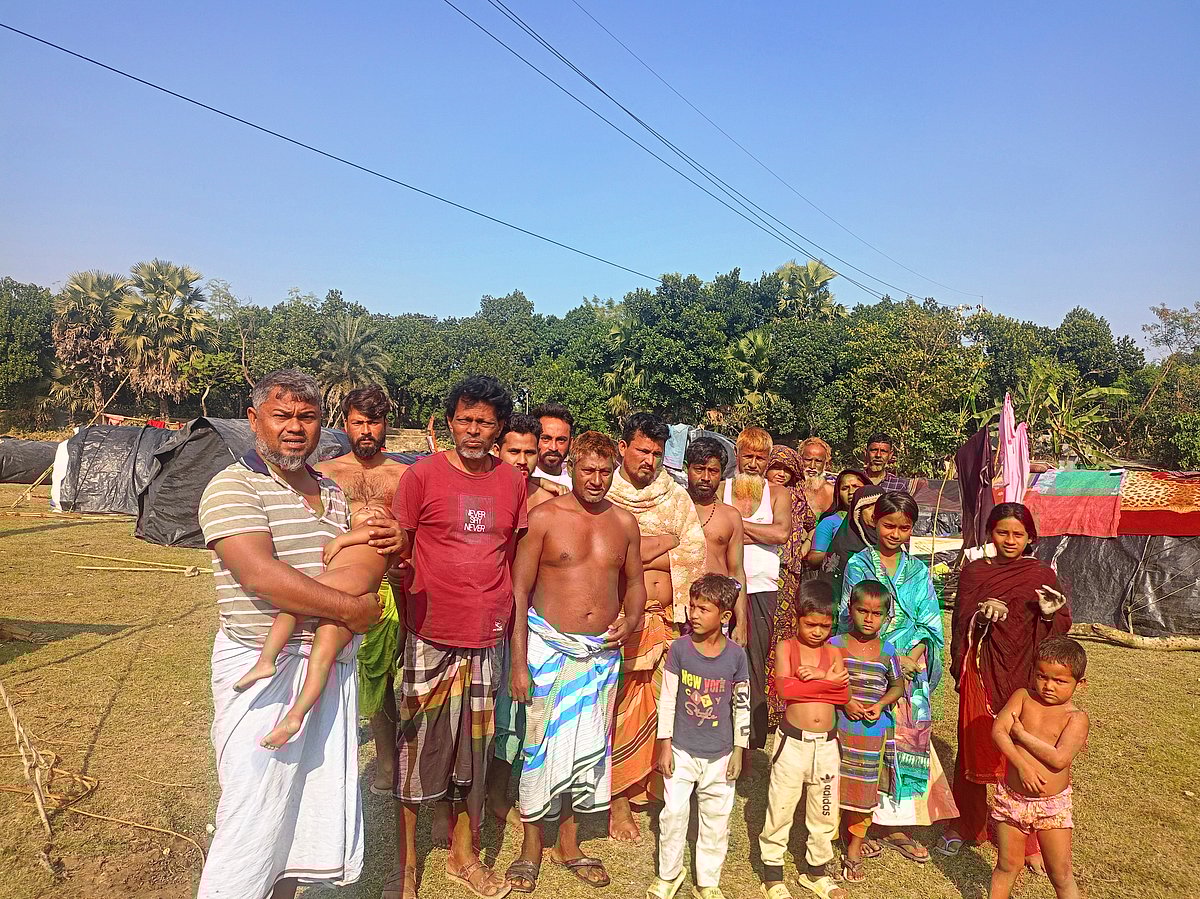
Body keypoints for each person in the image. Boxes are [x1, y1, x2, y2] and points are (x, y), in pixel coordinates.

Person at [196, 369, 384, 899]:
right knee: (251, 811)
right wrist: (354, 609)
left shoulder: (332, 492)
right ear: (254, 420)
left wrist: (389, 546)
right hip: (261, 665)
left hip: (326, 665)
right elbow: (261, 576)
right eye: (282, 416)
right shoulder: (232, 486)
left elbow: (356, 564)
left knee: (304, 809)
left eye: (307, 417)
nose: (295, 428)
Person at [386, 375, 527, 899]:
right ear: (450, 422)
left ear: (499, 428)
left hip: (487, 635)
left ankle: (463, 855)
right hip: (430, 632)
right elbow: (400, 548)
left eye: (484, 422)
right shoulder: (421, 476)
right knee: (417, 747)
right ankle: (404, 866)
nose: (473, 430)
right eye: (465, 419)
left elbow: (513, 559)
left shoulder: (513, 482)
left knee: (475, 750)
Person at [503, 431, 647, 893]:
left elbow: (635, 582)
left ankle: (568, 844)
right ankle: (530, 846)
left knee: (585, 750)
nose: (597, 480)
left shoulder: (624, 523)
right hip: (548, 652)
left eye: (605, 472)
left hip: (599, 656)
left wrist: (632, 619)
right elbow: (519, 592)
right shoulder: (544, 518)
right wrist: (519, 662)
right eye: (588, 470)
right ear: (572, 468)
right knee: (538, 748)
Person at [939, 503, 1071, 872]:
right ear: (990, 533)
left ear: (1030, 537)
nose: (1010, 540)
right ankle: (966, 823)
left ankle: (1027, 837)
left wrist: (1050, 613)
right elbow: (961, 620)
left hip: (1026, 675)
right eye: (1002, 532)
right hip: (983, 671)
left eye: (1018, 534)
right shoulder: (975, 572)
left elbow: (1061, 625)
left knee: (1023, 750)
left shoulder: (1041, 573)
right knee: (974, 744)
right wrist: (981, 613)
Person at [605, 412, 708, 844]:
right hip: (620, 621)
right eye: (642, 450)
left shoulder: (676, 497)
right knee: (621, 706)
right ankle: (617, 799)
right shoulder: (603, 493)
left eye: (657, 452)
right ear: (623, 448)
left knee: (665, 704)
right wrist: (662, 543)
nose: (649, 460)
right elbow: (604, 554)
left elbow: (696, 554)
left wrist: (641, 550)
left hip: (667, 621)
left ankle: (651, 787)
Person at [840, 492, 958, 863]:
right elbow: (849, 615)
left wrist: (913, 657)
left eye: (904, 527)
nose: (895, 533)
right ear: (874, 522)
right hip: (868, 665)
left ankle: (894, 825)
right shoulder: (858, 564)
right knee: (864, 740)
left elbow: (930, 622)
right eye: (888, 525)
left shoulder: (919, 571)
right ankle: (856, 822)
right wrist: (890, 657)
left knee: (904, 742)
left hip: (911, 670)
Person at [236, 500, 394, 750]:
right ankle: (295, 716)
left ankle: (266, 661)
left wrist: (340, 541)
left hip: (352, 578)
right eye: (364, 509)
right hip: (357, 591)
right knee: (322, 657)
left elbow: (370, 532)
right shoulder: (370, 540)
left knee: (294, 605)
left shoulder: (377, 534)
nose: (370, 511)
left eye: (378, 511)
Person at [315, 386, 409, 793]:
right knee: (327, 670)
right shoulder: (325, 473)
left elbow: (416, 531)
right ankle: (324, 759)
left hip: (389, 587)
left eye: (374, 422)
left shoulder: (404, 475)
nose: (366, 430)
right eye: (358, 422)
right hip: (338, 583)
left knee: (381, 679)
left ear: (386, 424)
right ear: (345, 424)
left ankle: (387, 764)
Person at [649, 574, 750, 899]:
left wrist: (739, 750)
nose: (694, 614)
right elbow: (668, 699)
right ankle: (669, 874)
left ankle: (707, 881)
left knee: (716, 819)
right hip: (681, 749)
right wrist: (665, 745)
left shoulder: (736, 656)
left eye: (703, 609)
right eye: (692, 606)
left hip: (720, 755)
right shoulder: (679, 649)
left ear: (724, 616)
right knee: (673, 814)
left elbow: (742, 705)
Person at [487, 412, 561, 827]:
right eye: (513, 450)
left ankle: (500, 795)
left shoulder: (547, 501)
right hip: (485, 610)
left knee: (514, 712)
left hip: (530, 616)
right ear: (497, 450)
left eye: (529, 452)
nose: (521, 460)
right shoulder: (484, 492)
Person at [759, 580, 850, 899]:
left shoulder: (834, 652)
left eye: (824, 626)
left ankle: (816, 872)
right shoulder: (788, 648)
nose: (817, 632)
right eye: (810, 624)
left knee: (824, 808)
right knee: (781, 806)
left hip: (826, 745)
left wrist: (820, 677)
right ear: (797, 618)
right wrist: (829, 683)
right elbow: (786, 689)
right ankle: (772, 874)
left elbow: (844, 694)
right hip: (793, 744)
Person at [989, 637, 1089, 899]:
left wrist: (1021, 735)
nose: (1048, 686)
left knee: (1060, 874)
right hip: (1012, 799)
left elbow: (1059, 759)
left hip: (1051, 805)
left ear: (1080, 684)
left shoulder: (1076, 718)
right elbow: (998, 730)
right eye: (1042, 676)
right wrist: (1021, 765)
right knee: (1007, 866)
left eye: (1060, 681)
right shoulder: (1022, 697)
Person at [829, 581, 906, 885]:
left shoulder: (888, 652)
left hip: (872, 737)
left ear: (886, 616)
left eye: (877, 613)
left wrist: (881, 704)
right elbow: (823, 682)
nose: (869, 619)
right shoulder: (834, 645)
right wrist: (844, 701)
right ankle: (824, 845)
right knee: (831, 787)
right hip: (837, 732)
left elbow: (897, 685)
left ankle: (854, 848)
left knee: (863, 793)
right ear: (850, 610)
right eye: (863, 611)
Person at [724, 426, 792, 752]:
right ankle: (719, 738)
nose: (753, 463)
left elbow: (781, 534)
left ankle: (750, 745)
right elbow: (711, 532)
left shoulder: (777, 494)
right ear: (737, 456)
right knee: (719, 659)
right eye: (747, 456)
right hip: (722, 588)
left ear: (768, 461)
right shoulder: (722, 489)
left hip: (763, 588)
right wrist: (757, 533)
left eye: (760, 458)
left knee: (753, 662)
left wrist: (734, 527)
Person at [762, 444, 817, 732]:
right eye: (776, 467)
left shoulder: (798, 497)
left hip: (789, 575)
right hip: (762, 571)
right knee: (762, 636)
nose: (781, 474)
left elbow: (812, 524)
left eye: (787, 469)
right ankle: (759, 704)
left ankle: (780, 705)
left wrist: (804, 547)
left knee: (783, 637)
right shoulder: (758, 494)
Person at [684, 435, 748, 645]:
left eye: (713, 471)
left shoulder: (730, 516)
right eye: (699, 469)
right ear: (687, 469)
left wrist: (741, 623)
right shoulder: (673, 506)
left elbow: (736, 571)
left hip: (717, 610)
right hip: (678, 610)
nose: (705, 477)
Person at [824, 484, 883, 598]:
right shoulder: (843, 546)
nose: (874, 513)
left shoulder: (892, 543)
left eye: (879, 507)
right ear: (858, 512)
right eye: (868, 506)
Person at [805, 470, 868, 570]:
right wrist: (837, 554)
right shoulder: (829, 522)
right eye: (844, 488)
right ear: (838, 494)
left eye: (856, 486)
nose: (851, 492)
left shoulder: (877, 520)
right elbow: (813, 558)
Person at [531, 402, 574, 488]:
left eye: (561, 440)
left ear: (571, 443)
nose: (553, 448)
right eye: (546, 439)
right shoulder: (520, 480)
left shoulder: (576, 485)